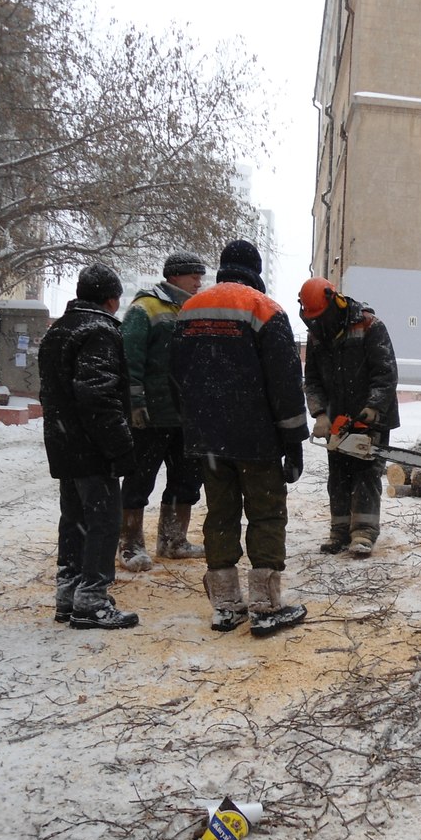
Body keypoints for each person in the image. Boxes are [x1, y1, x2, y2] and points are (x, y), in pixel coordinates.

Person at [171, 239, 310, 636]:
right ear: (256, 270)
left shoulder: (190, 309)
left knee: (221, 515)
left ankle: (226, 605)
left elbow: (176, 373)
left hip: (209, 439)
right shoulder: (264, 309)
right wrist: (292, 439)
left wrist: (196, 420)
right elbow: (285, 382)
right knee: (266, 513)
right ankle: (266, 606)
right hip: (257, 438)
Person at [37, 263, 140, 631]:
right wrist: (120, 446)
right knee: (103, 521)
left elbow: (53, 390)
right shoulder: (99, 331)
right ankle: (92, 600)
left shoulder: (59, 332)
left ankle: (69, 592)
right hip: (91, 444)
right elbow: (98, 394)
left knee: (75, 519)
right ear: (112, 299)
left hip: (64, 440)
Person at [118, 250, 208, 572]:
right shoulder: (145, 308)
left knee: (187, 479)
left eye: (200, 275)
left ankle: (173, 541)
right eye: (193, 275)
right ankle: (130, 543)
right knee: (139, 479)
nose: (199, 281)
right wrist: (136, 403)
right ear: (174, 277)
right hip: (153, 415)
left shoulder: (195, 310)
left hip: (186, 415)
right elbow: (130, 361)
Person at [298, 277, 400, 557]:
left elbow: (386, 372)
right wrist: (319, 413)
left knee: (366, 474)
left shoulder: (369, 326)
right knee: (338, 475)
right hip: (337, 415)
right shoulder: (317, 333)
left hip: (371, 415)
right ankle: (339, 530)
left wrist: (374, 406)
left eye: (321, 316)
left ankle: (364, 532)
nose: (318, 322)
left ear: (335, 302)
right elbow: (313, 379)